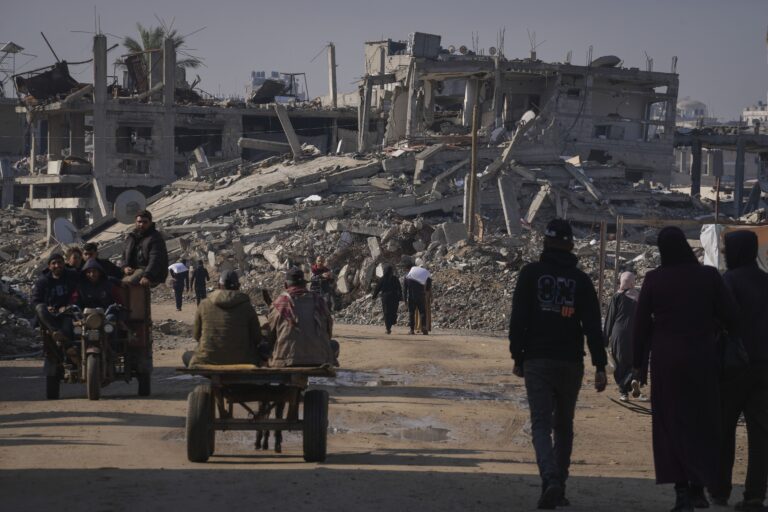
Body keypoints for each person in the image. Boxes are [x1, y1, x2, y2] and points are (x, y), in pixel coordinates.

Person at [632, 226, 740, 512]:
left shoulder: (655, 280)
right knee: (702, 423)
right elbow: (731, 315)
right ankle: (698, 489)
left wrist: (636, 365)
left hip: (667, 362)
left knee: (671, 425)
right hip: (703, 359)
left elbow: (640, 325)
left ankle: (681, 493)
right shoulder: (708, 277)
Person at [508, 218, 607, 510]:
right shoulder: (581, 281)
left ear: (545, 242)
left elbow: (519, 320)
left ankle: (549, 478)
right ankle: (559, 486)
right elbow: (592, 326)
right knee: (564, 426)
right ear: (571, 245)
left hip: (537, 360)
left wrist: (518, 357)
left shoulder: (530, 274)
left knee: (540, 423)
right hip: (570, 362)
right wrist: (600, 366)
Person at [708, 230, 768, 511]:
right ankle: (755, 495)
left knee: (724, 430)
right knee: (760, 434)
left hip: (732, 369)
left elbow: (716, 322)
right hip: (764, 368)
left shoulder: (727, 281)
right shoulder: (766, 281)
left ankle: (719, 490)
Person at [186, 270, 262, 366]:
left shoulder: (204, 304)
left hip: (209, 359)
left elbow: (196, 335)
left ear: (218, 286)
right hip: (242, 359)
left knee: (187, 356)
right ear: (238, 286)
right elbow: (257, 338)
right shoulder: (246, 306)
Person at [268, 267, 336, 367]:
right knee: (334, 345)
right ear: (304, 284)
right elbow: (328, 330)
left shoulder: (279, 303)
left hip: (286, 361)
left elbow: (271, 335)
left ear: (286, 285)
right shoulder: (319, 301)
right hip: (319, 360)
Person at [603, 271, 642, 401]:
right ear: (632, 282)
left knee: (619, 363)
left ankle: (623, 392)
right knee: (633, 361)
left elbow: (610, 319)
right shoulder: (639, 297)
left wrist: (605, 339)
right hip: (635, 334)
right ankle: (632, 379)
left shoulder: (617, 297)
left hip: (618, 334)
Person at [32, 253, 79, 342]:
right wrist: (47, 307)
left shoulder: (72, 276)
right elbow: (35, 300)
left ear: (64, 264)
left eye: (59, 262)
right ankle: (56, 332)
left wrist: (69, 305)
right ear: (49, 266)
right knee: (40, 308)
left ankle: (68, 348)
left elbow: (78, 293)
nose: (57, 265)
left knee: (68, 326)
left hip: (68, 312)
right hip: (50, 314)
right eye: (54, 263)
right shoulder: (42, 281)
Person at [122, 210, 168, 287]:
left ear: (150, 222)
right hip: (133, 269)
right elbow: (124, 255)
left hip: (147, 270)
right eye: (139, 222)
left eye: (145, 222)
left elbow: (155, 259)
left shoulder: (155, 238)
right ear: (135, 222)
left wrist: (147, 275)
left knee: (127, 282)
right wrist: (125, 267)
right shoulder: (131, 237)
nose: (141, 224)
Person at [372, 263, 402, 334]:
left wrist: (374, 296)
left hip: (386, 298)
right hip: (394, 297)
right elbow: (399, 288)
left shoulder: (382, 279)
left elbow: (377, 288)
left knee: (386, 312)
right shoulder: (395, 278)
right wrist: (401, 297)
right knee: (393, 311)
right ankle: (391, 322)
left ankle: (388, 328)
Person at [403, 263, 432, 335]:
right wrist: (426, 291)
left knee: (411, 313)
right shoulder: (425, 273)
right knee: (422, 312)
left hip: (411, 297)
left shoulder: (407, 277)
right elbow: (428, 286)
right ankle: (424, 327)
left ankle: (411, 330)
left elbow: (404, 290)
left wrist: (405, 300)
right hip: (421, 296)